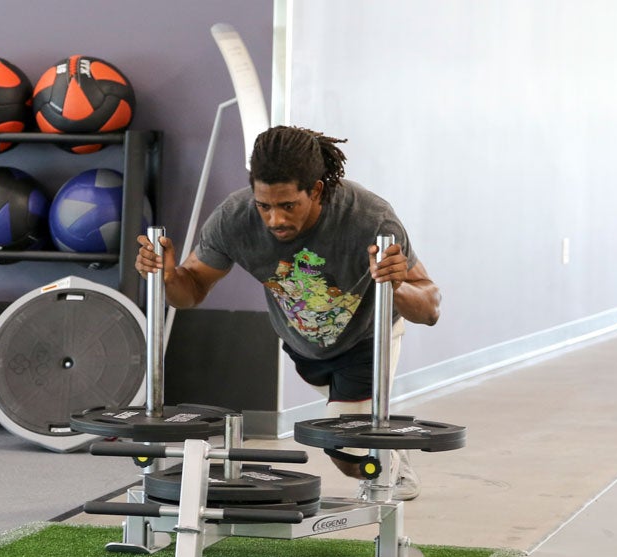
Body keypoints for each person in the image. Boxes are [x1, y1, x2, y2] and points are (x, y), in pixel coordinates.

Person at [135, 125, 441, 500]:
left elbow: (429, 308)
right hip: (303, 344)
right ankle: (383, 439)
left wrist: (396, 285)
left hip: (366, 339)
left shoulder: (370, 219)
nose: (275, 220)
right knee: (348, 430)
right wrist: (167, 276)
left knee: (347, 453)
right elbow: (191, 292)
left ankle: (389, 459)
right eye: (264, 206)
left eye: (288, 206)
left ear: (315, 190)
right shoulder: (234, 218)